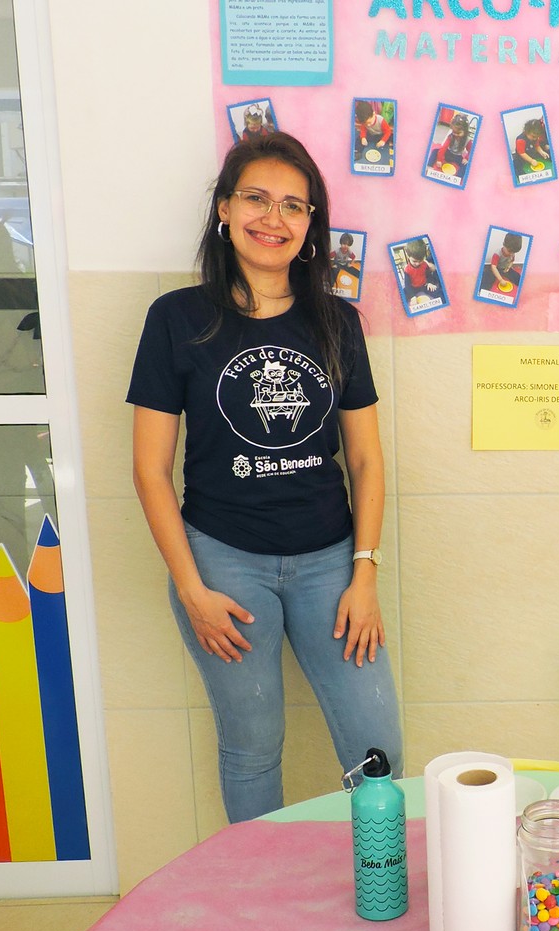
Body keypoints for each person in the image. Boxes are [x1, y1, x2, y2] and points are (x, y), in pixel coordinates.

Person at [128, 132, 402, 823]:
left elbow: (366, 461)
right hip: (223, 562)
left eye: (293, 206)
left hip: (332, 562)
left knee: (378, 754)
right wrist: (192, 588)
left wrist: (364, 574)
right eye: (256, 198)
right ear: (224, 208)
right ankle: (257, 887)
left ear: (310, 224)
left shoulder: (337, 322)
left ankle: (379, 873)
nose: (273, 218)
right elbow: (150, 470)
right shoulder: (177, 319)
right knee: (252, 747)